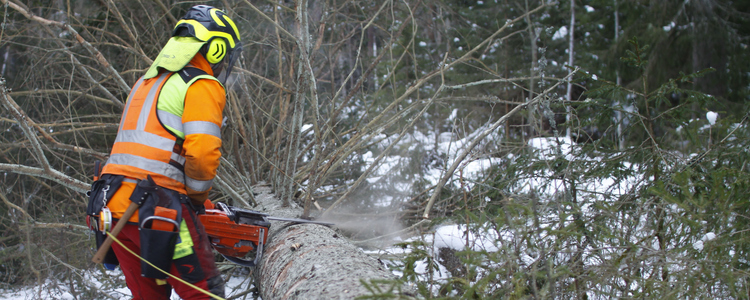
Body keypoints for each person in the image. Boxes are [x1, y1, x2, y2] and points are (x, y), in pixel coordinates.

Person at [88, 5, 241, 299]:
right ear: (217, 49)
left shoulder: (146, 83)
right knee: (205, 294)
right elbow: (203, 153)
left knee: (149, 297)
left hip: (113, 208)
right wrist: (197, 199)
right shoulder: (201, 84)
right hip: (159, 210)